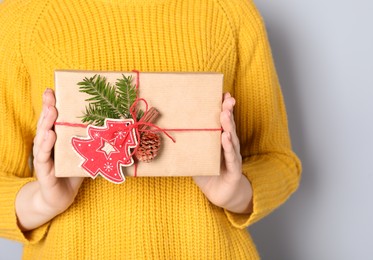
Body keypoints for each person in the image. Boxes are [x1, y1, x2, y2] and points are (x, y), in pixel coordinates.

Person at [0, 0, 301, 259]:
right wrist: (43, 200)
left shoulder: (229, 12)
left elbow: (276, 159)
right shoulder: (27, 15)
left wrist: (235, 191)